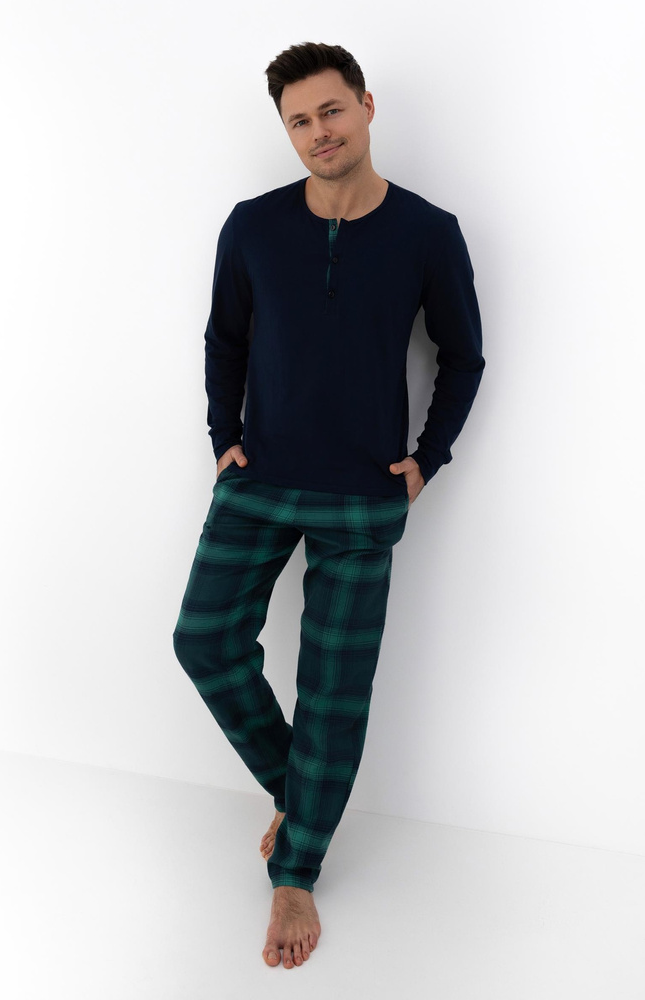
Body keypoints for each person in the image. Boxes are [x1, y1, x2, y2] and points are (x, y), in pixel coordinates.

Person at [172, 41, 485, 970]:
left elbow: (463, 356)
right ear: (287, 129)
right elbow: (224, 338)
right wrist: (222, 438)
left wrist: (426, 460)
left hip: (362, 497)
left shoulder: (427, 231)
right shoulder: (252, 226)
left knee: (334, 692)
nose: (318, 132)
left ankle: (295, 873)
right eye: (299, 120)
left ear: (366, 106)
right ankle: (300, 797)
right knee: (203, 641)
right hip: (258, 481)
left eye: (331, 110)